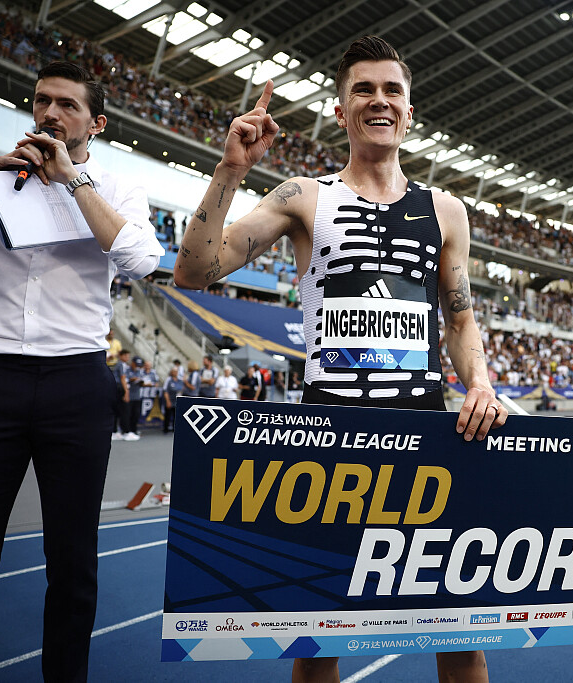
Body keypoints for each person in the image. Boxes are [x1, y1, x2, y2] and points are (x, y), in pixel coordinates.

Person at [174, 35, 504, 683]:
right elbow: (193, 270)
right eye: (364, 89)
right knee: (318, 638)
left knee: (461, 633)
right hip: (330, 437)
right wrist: (231, 169)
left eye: (392, 90)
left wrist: (482, 382)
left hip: (428, 437)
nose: (379, 100)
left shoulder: (446, 211)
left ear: (410, 111)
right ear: (340, 109)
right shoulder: (304, 197)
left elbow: (460, 319)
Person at [0, 60, 163, 681]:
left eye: (67, 105)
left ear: (96, 121)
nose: (51, 114)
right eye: (42, 102)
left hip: (74, 381)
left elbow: (143, 259)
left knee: (72, 560)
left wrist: (72, 182)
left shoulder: (114, 186)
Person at [162, 366, 185, 433]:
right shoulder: (168, 380)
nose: (175, 373)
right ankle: (165, 429)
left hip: (177, 400)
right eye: (174, 371)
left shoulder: (179, 380)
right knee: (168, 415)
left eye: (176, 371)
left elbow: (182, 389)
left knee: (176, 416)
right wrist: (168, 401)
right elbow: (165, 390)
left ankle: (174, 429)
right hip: (170, 399)